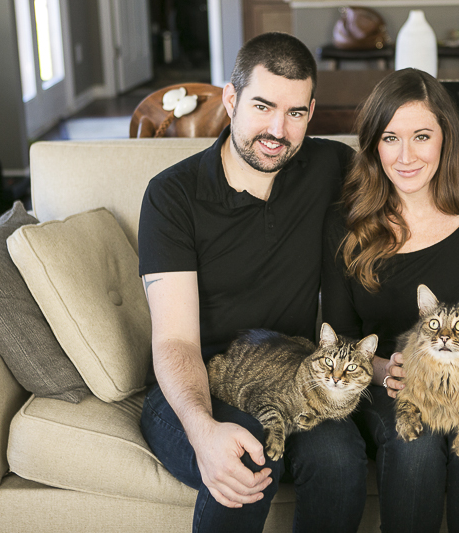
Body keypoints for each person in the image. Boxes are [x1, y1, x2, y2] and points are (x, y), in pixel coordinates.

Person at [137, 32, 367, 533]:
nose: (277, 131)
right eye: (262, 107)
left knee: (343, 457)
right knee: (245, 452)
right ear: (231, 99)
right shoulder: (172, 197)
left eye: (295, 113)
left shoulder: (328, 167)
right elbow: (175, 341)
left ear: (311, 111)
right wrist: (202, 429)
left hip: (291, 381)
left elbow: (411, 181)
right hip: (189, 390)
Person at [321, 68, 459, 533]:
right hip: (391, 385)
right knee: (415, 446)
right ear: (373, 144)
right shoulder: (347, 223)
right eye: (390, 138)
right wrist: (384, 370)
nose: (405, 157)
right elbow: (341, 336)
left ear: (446, 137)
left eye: (421, 136)